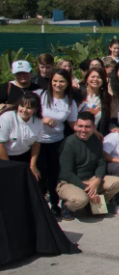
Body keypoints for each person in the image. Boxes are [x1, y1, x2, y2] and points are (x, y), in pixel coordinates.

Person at [57, 114, 119, 219]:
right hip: (70, 182)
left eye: (87, 127)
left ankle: (92, 205)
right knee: (81, 200)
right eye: (80, 126)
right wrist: (87, 188)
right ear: (75, 126)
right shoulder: (69, 143)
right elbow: (66, 173)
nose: (83, 130)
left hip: (91, 179)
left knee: (117, 182)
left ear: (94, 127)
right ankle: (67, 206)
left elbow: (101, 163)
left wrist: (97, 179)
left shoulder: (96, 141)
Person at [37, 69, 80, 217]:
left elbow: (73, 124)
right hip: (38, 142)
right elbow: (27, 113)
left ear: (68, 83)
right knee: (39, 174)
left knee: (55, 174)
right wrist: (43, 120)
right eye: (55, 80)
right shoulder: (41, 95)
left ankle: (55, 205)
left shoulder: (70, 101)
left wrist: (91, 132)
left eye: (61, 81)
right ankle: (40, 206)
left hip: (57, 142)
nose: (57, 84)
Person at [0, 93, 43, 181]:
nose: (24, 110)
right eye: (22, 106)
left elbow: (36, 144)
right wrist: (9, 166)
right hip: (5, 157)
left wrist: (33, 165)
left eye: (29, 108)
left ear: (35, 109)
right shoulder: (7, 118)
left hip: (24, 156)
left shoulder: (38, 121)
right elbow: (1, 145)